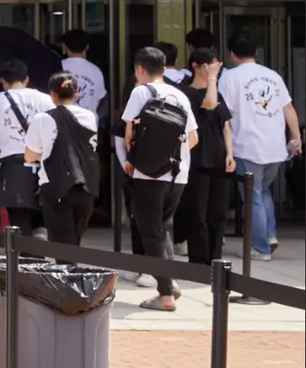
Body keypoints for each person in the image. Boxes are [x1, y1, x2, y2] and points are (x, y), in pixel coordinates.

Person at [120, 46, 197, 312]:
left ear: (139, 69)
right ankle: (170, 282)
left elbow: (129, 133)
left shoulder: (141, 92)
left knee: (150, 232)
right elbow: (193, 138)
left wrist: (137, 160)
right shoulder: (180, 95)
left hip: (149, 174)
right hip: (178, 173)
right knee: (162, 229)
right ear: (164, 69)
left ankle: (165, 295)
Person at [219, 33, 301, 263]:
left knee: (252, 196)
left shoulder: (230, 77)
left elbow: (223, 113)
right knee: (263, 191)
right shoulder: (272, 76)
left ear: (232, 54)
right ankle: (269, 235)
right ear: (255, 52)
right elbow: (288, 108)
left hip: (247, 146)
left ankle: (260, 248)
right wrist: (296, 138)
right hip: (275, 147)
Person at [0, 60, 51, 237]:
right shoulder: (46, 100)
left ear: (3, 81)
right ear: (27, 79)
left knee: (18, 217)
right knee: (42, 213)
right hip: (44, 165)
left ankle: (25, 250)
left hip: (14, 167)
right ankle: (41, 236)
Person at [22, 72, 99, 246]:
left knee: (61, 240)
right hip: (87, 184)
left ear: (52, 94)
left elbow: (30, 156)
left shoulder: (43, 118)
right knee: (75, 238)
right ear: (76, 92)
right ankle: (73, 263)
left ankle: (68, 264)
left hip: (55, 184)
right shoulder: (90, 116)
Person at [180, 48, 236, 267]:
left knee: (218, 213)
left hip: (218, 159)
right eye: (209, 66)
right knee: (198, 213)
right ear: (196, 66)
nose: (214, 70)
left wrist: (230, 153)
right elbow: (209, 105)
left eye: (216, 66)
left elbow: (226, 126)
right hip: (197, 160)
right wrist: (212, 78)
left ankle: (215, 259)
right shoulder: (186, 94)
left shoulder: (217, 92)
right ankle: (199, 260)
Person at [58, 29, 107, 118]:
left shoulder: (58, 67)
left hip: (63, 121)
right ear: (87, 47)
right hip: (89, 122)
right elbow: (98, 100)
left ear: (64, 46)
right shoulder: (96, 71)